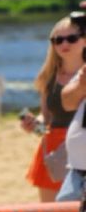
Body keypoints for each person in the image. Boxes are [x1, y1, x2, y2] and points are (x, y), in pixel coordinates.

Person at [22, 15, 86, 202]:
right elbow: (47, 118)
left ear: (83, 39)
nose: (64, 44)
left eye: (71, 38)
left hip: (80, 149)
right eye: (57, 40)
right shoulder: (48, 76)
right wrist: (34, 125)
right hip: (52, 149)